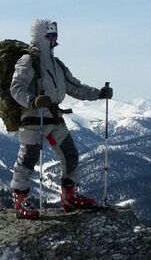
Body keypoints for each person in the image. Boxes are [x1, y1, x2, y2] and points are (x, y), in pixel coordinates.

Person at [10, 18, 113, 219]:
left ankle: (69, 197)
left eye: (55, 34)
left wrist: (99, 93)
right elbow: (16, 88)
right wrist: (33, 101)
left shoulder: (57, 64)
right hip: (34, 119)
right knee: (28, 159)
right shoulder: (28, 61)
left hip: (53, 117)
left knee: (70, 155)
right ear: (40, 35)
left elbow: (74, 87)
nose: (54, 38)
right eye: (49, 34)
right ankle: (20, 200)